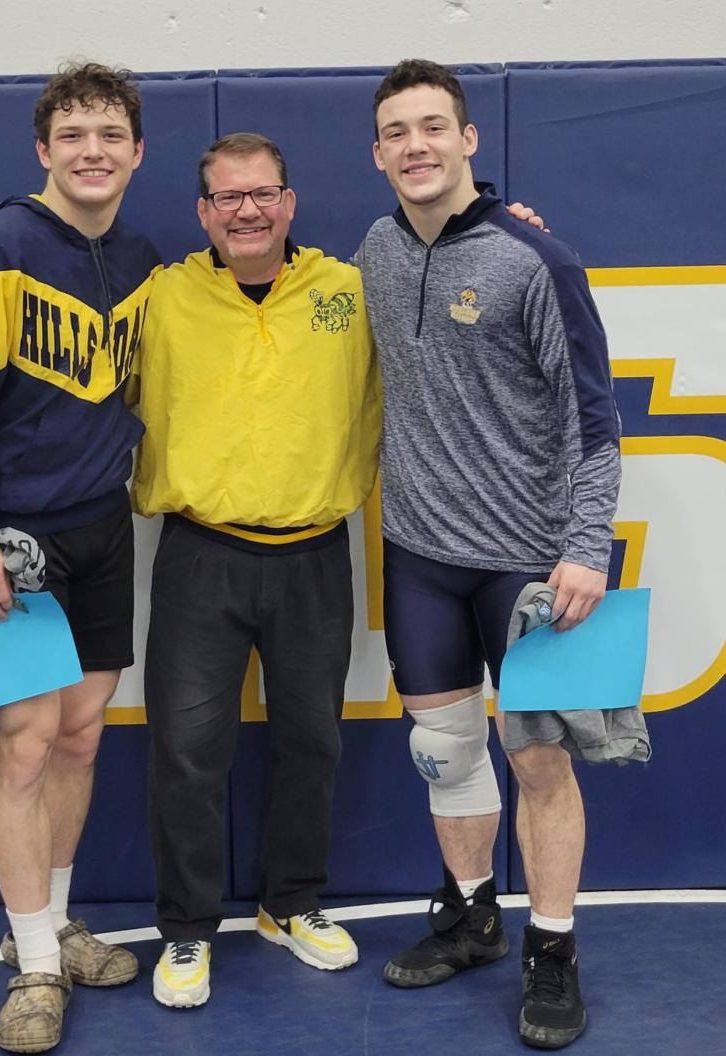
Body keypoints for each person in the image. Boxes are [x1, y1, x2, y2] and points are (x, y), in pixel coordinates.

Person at [354, 59, 623, 1048]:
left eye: (434, 126)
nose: (416, 145)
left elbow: (595, 423)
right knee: (446, 753)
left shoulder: (535, 261)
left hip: (527, 565)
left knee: (541, 760)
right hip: (420, 554)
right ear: (376, 152)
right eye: (397, 131)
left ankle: (551, 951)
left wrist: (586, 545)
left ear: (470, 139)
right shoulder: (377, 248)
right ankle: (470, 916)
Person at [0, 63, 160, 1053]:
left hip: (101, 531)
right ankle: (37, 969)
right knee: (22, 745)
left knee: (82, 737)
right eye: (74, 134)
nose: (93, 150)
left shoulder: (140, 258)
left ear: (136, 152)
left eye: (111, 134)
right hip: (10, 541)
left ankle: (49, 925)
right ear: (42, 150)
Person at [132, 133, 382, 1008]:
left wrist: (511, 223)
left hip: (316, 554)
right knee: (189, 752)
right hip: (202, 553)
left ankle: (291, 904)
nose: (247, 210)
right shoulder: (162, 296)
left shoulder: (347, 293)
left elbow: (445, 287)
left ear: (290, 201)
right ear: (203, 212)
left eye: (263, 194)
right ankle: (189, 931)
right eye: (228, 198)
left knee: (312, 742)